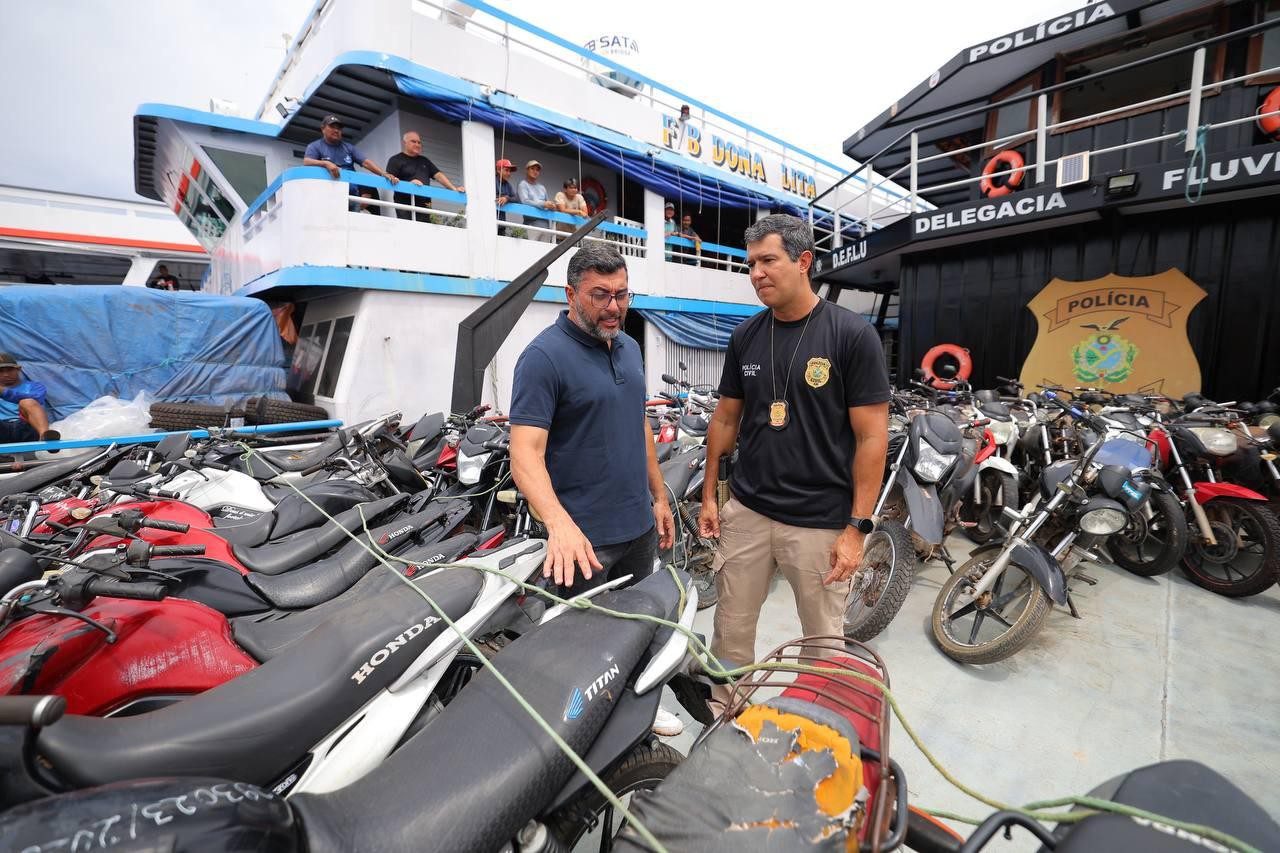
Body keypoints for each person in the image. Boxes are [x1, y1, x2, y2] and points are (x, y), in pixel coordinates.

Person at [698, 214, 890, 713]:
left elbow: (872, 437)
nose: (757, 273)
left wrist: (857, 528)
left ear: (803, 261)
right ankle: (727, 713)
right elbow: (725, 420)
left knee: (823, 643)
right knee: (731, 628)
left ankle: (813, 723)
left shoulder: (851, 336)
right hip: (749, 511)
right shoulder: (746, 336)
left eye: (768, 261)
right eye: (751, 264)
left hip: (820, 523)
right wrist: (710, 496)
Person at [508, 241, 682, 736]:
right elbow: (525, 456)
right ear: (570, 295)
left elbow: (639, 425)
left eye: (622, 295)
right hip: (584, 542)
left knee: (636, 628)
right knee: (580, 646)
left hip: (637, 526)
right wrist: (559, 525)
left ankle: (633, 711)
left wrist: (658, 496)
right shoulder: (543, 358)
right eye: (600, 295)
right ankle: (581, 734)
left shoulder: (628, 347)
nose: (614, 307)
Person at [302, 115, 399, 209]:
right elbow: (307, 161)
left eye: (339, 128)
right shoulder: (315, 146)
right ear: (323, 129)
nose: (336, 130)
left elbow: (365, 162)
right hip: (329, 197)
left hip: (352, 196)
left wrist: (383, 173)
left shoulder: (348, 147)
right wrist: (326, 163)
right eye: (332, 127)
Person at [386, 131, 464, 223]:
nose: (417, 144)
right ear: (405, 143)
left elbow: (439, 175)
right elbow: (389, 178)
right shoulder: (395, 160)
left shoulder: (424, 161)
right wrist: (409, 185)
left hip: (424, 206)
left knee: (425, 230)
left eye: (419, 142)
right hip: (405, 206)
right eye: (413, 141)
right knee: (409, 230)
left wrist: (454, 189)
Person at [0, 354, 59, 445]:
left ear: (18, 369)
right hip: (2, 428)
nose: (6, 375)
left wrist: (4, 392)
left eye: (10, 370)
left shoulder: (35, 386)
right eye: (0, 371)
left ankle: (46, 438)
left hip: (27, 426)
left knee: (28, 402)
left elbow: (37, 398)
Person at [517, 159, 557, 242]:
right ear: (527, 170)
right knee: (530, 249)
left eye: (537, 170)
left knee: (545, 250)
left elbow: (547, 203)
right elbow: (525, 201)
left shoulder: (542, 187)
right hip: (531, 224)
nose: (535, 171)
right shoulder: (523, 184)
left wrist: (552, 206)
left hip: (546, 226)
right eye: (532, 169)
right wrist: (543, 204)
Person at [495, 159, 516, 227]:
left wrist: (506, 198)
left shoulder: (508, 185)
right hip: (488, 221)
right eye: (506, 170)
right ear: (498, 170)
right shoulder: (491, 181)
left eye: (510, 171)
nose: (509, 173)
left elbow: (516, 198)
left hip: (501, 223)